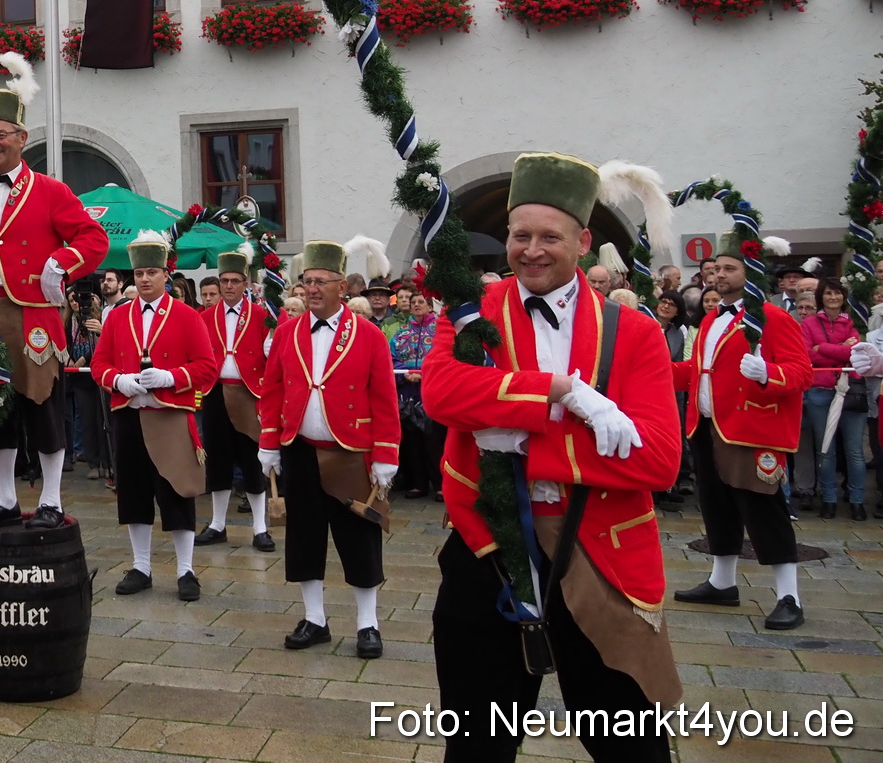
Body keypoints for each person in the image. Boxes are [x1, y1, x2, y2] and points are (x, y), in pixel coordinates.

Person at [422, 154, 683, 763]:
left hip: (602, 550)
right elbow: (441, 394)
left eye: (549, 237)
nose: (531, 250)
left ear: (583, 242)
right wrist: (562, 395)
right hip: (486, 546)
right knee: (477, 740)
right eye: (520, 236)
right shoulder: (471, 314)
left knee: (630, 744)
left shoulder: (634, 332)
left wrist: (516, 436)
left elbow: (658, 462)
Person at [0, 54, 110, 530]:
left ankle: (50, 499)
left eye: (1, 135)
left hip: (33, 312)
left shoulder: (51, 191)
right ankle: (6, 497)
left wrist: (61, 263)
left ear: (21, 138)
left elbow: (94, 240)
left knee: (43, 407)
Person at [258, 238, 400, 660]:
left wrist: (386, 455)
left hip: (351, 451)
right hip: (299, 449)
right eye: (307, 281)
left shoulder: (369, 335)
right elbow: (272, 391)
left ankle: (367, 624)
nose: (312, 289)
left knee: (360, 537)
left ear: (343, 286)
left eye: (321, 281)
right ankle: (314, 619)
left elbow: (384, 398)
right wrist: (269, 443)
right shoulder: (287, 333)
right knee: (303, 537)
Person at [672, 232, 812, 628]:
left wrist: (770, 373)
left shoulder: (773, 317)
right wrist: (653, 371)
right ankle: (722, 582)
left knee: (763, 509)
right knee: (716, 506)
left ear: (750, 274)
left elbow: (801, 373)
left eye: (729, 268)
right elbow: (698, 371)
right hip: (707, 426)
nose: (719, 275)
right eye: (716, 269)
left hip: (750, 429)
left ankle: (790, 595)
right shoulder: (713, 318)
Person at [93, 231, 218, 600]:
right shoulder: (117, 317)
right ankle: (141, 566)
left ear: (166, 274)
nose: (145, 279)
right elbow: (100, 363)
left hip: (169, 416)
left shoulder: (186, 316)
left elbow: (207, 368)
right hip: (128, 415)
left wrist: (172, 377)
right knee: (133, 493)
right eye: (139, 273)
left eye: (152, 272)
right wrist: (119, 380)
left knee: (177, 492)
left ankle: (186, 570)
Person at [197, 248, 275, 551]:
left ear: (246, 283)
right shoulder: (205, 317)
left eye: (235, 281)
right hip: (214, 392)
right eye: (224, 280)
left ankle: (260, 527)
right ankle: (217, 524)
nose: (228, 286)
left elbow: (272, 354)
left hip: (248, 393)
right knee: (218, 460)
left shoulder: (261, 315)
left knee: (252, 460)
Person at [802, 277, 866, 519]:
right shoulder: (808, 323)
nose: (833, 298)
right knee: (825, 449)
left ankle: (857, 500)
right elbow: (808, 355)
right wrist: (841, 348)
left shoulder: (853, 323)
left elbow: (857, 353)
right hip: (820, 391)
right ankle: (828, 498)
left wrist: (824, 348)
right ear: (821, 297)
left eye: (837, 293)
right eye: (828, 293)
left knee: (854, 450)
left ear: (843, 297)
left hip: (851, 391)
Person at [390, 290, 439, 499]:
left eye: (421, 302)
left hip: (432, 391)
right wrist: (405, 374)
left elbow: (445, 357)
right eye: (413, 302)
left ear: (429, 306)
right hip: (408, 392)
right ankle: (418, 484)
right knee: (412, 440)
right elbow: (390, 358)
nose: (417, 305)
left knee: (435, 440)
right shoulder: (401, 333)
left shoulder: (439, 331)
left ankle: (440, 484)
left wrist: (424, 374)